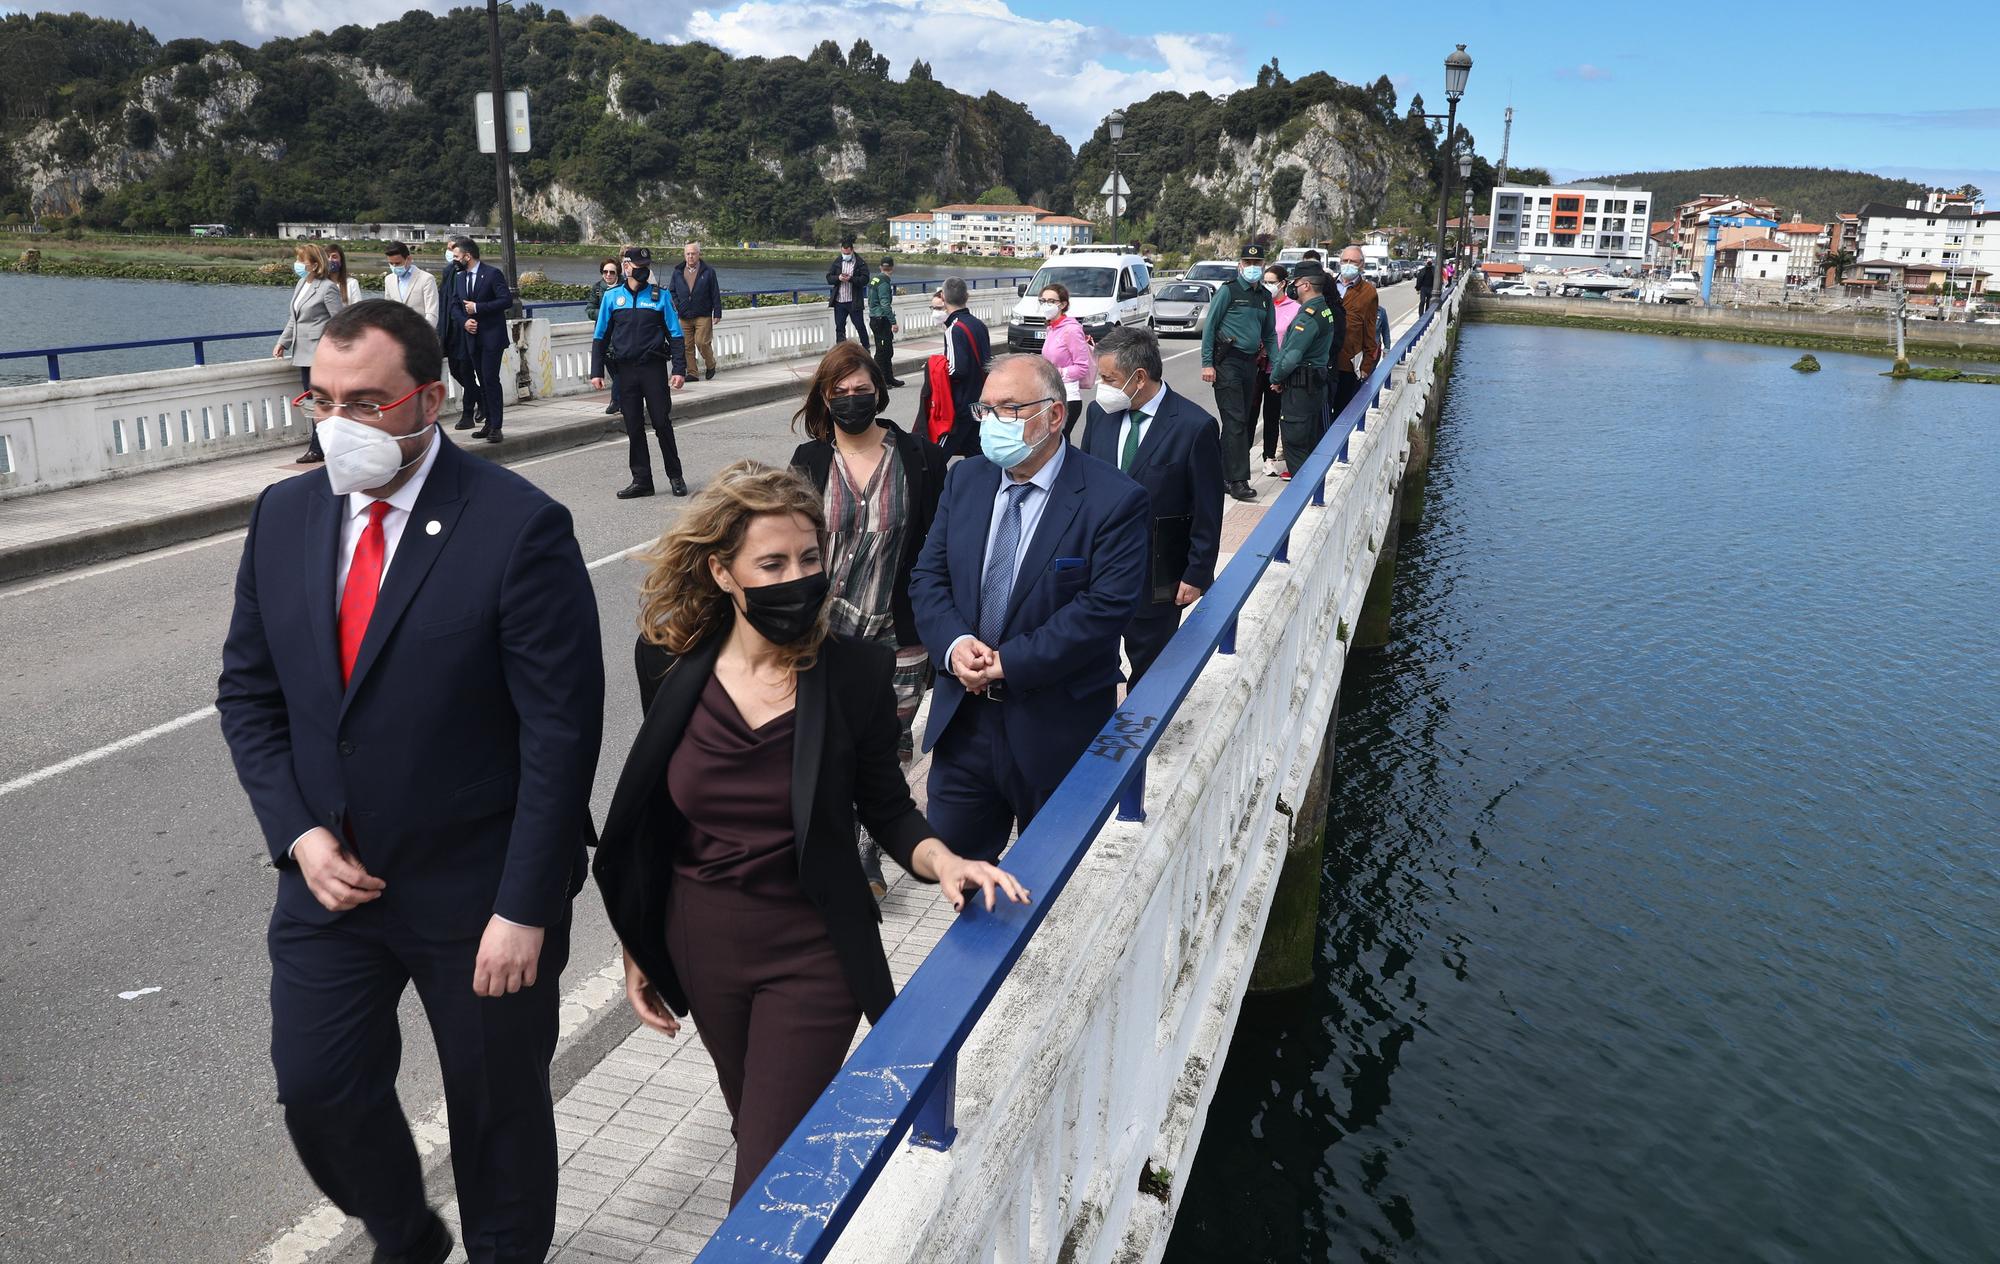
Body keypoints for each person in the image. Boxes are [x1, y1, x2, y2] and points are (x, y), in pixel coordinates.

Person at [217, 299, 603, 1264]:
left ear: (429, 399)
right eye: (325, 400)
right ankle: (405, 1237)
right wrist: (300, 836)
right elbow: (248, 697)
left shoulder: (518, 527)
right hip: (331, 876)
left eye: (371, 403)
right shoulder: (284, 515)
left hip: (480, 891)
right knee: (318, 1086)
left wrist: (524, 906)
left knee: (496, 1118)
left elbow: (560, 733)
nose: (342, 423)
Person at [591, 461, 1025, 1208]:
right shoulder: (667, 661)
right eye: (772, 564)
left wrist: (944, 859)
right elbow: (654, 820)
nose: (799, 578)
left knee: (763, 1173)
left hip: (813, 948)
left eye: (810, 559)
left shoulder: (856, 671)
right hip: (700, 941)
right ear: (723, 572)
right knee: (754, 1126)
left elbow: (886, 808)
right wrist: (639, 944)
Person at [909, 353, 1150, 863]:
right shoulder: (966, 480)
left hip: (1055, 724)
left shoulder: (1114, 499)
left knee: (1054, 879)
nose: (993, 422)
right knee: (956, 868)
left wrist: (1007, 663)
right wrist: (954, 647)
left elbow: (1104, 609)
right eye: (986, 409)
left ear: (1055, 415)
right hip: (965, 723)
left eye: (1010, 409)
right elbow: (929, 578)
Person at [786, 343, 948, 897]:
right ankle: (827, 843)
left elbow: (935, 547)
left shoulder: (919, 458)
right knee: (825, 741)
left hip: (897, 632)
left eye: (862, 391)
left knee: (887, 742)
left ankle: (866, 850)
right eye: (841, 393)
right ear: (824, 399)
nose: (853, 401)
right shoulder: (809, 462)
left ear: (879, 391)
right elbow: (789, 547)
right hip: (823, 632)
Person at [1079, 326, 1222, 684]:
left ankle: (1143, 733)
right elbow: (1081, 481)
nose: (1102, 386)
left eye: (1109, 378)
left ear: (1139, 378)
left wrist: (1196, 573)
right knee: (1091, 662)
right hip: (1098, 570)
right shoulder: (1100, 415)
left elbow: (1207, 508)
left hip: (1157, 571)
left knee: (1151, 670)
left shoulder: (1194, 426)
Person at [591, 246, 690, 499]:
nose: (643, 271)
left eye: (646, 267)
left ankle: (675, 476)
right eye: (638, 267)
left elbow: (676, 335)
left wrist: (679, 369)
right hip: (625, 372)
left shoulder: (661, 297)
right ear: (626, 267)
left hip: (653, 370)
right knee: (633, 427)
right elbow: (600, 336)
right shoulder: (612, 298)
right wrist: (596, 371)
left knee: (661, 423)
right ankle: (642, 480)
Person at [1198, 242, 1276, 504]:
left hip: (1250, 365)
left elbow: (1270, 334)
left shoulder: (1265, 296)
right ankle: (1239, 481)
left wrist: (1275, 365)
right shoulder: (1229, 292)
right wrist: (1207, 363)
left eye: (1257, 264)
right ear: (1240, 265)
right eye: (1248, 263)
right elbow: (1210, 328)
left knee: (1239, 422)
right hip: (1227, 362)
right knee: (1236, 421)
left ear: (1263, 265)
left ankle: (1219, 475)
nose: (1252, 268)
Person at [1266, 262, 1342, 477]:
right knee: (1309, 441)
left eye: (1295, 283)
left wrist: (1276, 377)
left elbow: (1291, 355)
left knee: (1296, 443)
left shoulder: (1308, 316)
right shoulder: (1324, 309)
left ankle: (1303, 498)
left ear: (1306, 285)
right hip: (1313, 385)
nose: (1292, 287)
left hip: (1301, 390)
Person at [274, 242, 344, 464]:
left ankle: (317, 447)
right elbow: (294, 320)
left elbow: (339, 322)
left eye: (301, 261)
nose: (298, 265)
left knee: (318, 401)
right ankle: (322, 445)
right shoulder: (301, 284)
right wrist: (283, 342)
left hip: (319, 354)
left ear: (314, 265)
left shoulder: (327, 288)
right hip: (302, 353)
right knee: (312, 400)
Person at [449, 239, 514, 444]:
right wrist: (465, 321)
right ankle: (488, 422)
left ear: (467, 256)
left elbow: (506, 300)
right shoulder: (459, 278)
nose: (454, 261)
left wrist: (478, 308)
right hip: (472, 337)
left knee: (490, 379)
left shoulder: (492, 274)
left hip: (492, 337)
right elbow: (454, 306)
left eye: (457, 257)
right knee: (481, 380)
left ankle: (496, 426)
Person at [935, 278, 992, 457]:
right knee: (976, 449)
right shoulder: (979, 324)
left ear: (943, 297)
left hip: (963, 403)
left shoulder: (954, 329)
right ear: (967, 296)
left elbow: (957, 369)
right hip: (981, 400)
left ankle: (931, 483)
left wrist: (935, 368)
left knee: (939, 453)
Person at [435, 240, 482, 432]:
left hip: (467, 329)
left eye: (454, 251)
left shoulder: (475, 274)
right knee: (455, 370)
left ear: (466, 254)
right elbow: (444, 300)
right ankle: (482, 398)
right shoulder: (449, 272)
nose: (451, 255)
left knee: (466, 371)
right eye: (449, 251)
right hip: (450, 329)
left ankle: (468, 413)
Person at [1037, 281, 1094, 439]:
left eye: (1051, 301)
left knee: (1059, 442)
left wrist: (1056, 373)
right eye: (1042, 301)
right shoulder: (1051, 328)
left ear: (1062, 304)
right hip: (1050, 394)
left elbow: (1082, 367)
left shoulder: (1072, 330)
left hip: (1068, 398)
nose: (1045, 305)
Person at [1331, 245, 1382, 419]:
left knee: (1341, 413)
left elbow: (1370, 330)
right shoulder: (1328, 286)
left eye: (1352, 261)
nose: (1348, 264)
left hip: (1349, 364)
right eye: (1345, 261)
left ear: (1361, 265)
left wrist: (1366, 366)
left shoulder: (1368, 292)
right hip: (1325, 361)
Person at [1258, 263, 1298, 478]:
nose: (1267, 286)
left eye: (1271, 282)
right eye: (1265, 282)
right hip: (1258, 368)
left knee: (1275, 415)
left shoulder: (1295, 309)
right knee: (1253, 415)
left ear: (1283, 284)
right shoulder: (1261, 304)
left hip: (1280, 370)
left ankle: (1272, 456)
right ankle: (1259, 459)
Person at [668, 241, 723, 382]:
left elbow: (715, 292)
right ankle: (692, 373)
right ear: (684, 255)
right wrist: (677, 305)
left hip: (703, 314)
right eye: (688, 254)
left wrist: (717, 312)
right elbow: (672, 291)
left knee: (702, 342)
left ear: (698, 254)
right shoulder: (677, 272)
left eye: (693, 253)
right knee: (686, 346)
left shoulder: (709, 272)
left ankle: (711, 364)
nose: (690, 256)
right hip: (684, 314)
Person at [588, 258, 625, 416]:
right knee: (612, 368)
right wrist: (604, 314)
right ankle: (620, 400)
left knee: (620, 370)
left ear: (617, 273)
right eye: (605, 272)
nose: (608, 275)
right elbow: (590, 309)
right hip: (604, 334)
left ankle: (616, 401)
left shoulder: (625, 287)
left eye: (612, 272)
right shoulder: (597, 288)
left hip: (622, 333)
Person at [865, 256, 904, 387]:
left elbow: (871, 300)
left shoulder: (875, 279)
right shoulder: (884, 282)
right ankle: (879, 381)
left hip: (875, 318)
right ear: (892, 268)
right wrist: (893, 322)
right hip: (881, 319)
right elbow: (885, 304)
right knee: (882, 351)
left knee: (887, 350)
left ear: (880, 267)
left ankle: (888, 378)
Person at [826, 236, 870, 348]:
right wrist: (838, 278)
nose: (845, 255)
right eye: (843, 252)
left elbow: (865, 279)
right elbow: (829, 278)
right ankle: (841, 350)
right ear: (841, 250)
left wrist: (851, 279)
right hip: (839, 301)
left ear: (852, 250)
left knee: (859, 326)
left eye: (847, 253)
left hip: (853, 301)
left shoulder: (860, 263)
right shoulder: (837, 261)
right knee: (839, 327)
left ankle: (866, 348)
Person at [382, 242, 438, 330]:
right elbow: (388, 309)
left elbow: (432, 313)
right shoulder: (389, 279)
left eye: (397, 263)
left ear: (409, 259)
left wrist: (427, 335)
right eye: (391, 264)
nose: (394, 267)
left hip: (419, 332)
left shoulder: (426, 279)